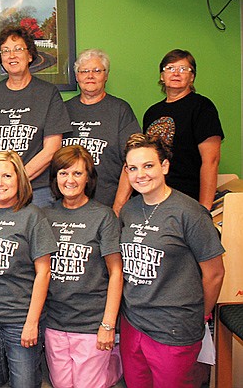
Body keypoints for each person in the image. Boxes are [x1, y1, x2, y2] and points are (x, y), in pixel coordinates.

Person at [119, 133, 225, 387]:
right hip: (133, 323)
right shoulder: (129, 210)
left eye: (148, 166)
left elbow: (214, 274)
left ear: (164, 166)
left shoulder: (190, 213)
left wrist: (199, 315)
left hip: (173, 329)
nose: (140, 174)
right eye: (133, 168)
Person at [0, 150, 55, 388]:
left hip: (20, 318)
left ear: (20, 179)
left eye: (7, 175)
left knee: (24, 383)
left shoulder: (32, 217)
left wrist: (31, 322)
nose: (0, 182)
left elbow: (44, 272)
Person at [43, 145, 123, 388]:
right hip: (54, 321)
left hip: (91, 323)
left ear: (88, 178)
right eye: (63, 173)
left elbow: (116, 272)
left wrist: (108, 325)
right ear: (55, 177)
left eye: (77, 173)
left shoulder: (103, 216)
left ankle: (115, 359)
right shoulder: (44, 215)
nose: (70, 180)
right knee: (62, 384)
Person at [0, 24, 71, 208]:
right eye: (5, 51)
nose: (12, 55)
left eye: (18, 49)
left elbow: (52, 148)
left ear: (30, 55)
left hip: (36, 192)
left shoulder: (48, 94)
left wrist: (16, 180)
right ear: (0, 58)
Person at [143, 49, 224, 211]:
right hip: (153, 197)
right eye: (170, 68)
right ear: (162, 76)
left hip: (187, 198)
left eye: (183, 69)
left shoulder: (202, 107)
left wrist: (204, 208)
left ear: (192, 77)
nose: (176, 73)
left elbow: (211, 160)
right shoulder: (152, 112)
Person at [62, 49, 140, 213]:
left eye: (97, 71)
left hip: (107, 204)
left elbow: (133, 160)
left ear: (106, 76)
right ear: (77, 77)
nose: (90, 76)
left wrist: (118, 206)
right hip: (67, 206)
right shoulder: (63, 110)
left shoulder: (120, 110)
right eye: (84, 71)